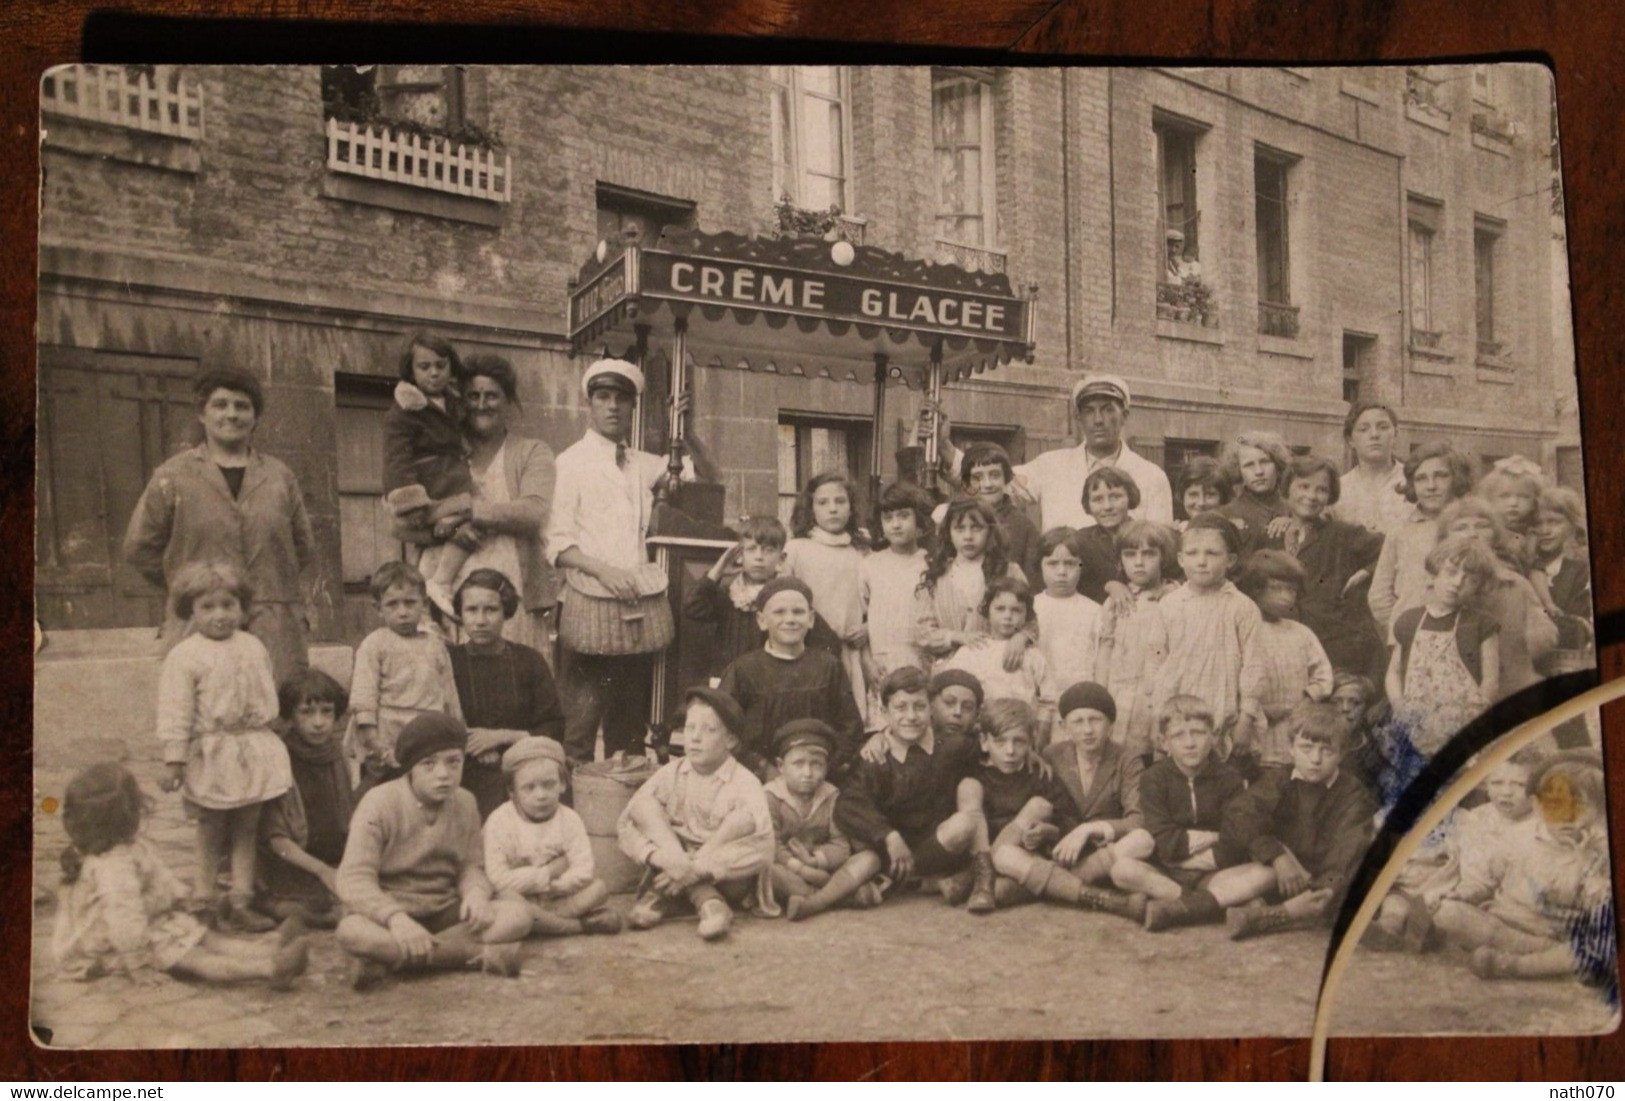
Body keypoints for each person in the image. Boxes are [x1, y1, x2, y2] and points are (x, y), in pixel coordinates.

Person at [548, 358, 717, 763]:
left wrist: (688, 432)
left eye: (622, 399)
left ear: (633, 408)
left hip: (636, 613)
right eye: (603, 397)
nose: (612, 407)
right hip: (589, 607)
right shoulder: (569, 464)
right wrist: (605, 572)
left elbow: (707, 484)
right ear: (589, 405)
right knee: (580, 727)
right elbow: (557, 544)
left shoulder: (645, 464)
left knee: (628, 729)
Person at [122, 367, 315, 686]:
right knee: (204, 712)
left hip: (273, 625)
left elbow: (302, 548)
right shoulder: (174, 475)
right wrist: (190, 586)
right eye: (221, 404)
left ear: (255, 416)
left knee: (276, 710)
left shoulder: (280, 477)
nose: (232, 414)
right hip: (199, 621)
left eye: (242, 406)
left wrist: (268, 584)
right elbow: (139, 548)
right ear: (202, 413)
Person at [52, 763, 311, 989]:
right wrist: (138, 964)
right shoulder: (112, 868)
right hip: (114, 943)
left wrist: (181, 896)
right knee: (198, 959)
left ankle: (271, 946)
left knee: (205, 937)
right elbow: (124, 922)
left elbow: (158, 877)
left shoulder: (128, 847)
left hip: (150, 921)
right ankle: (269, 969)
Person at [335, 714, 532, 990]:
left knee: (518, 916)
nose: (443, 774)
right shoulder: (378, 804)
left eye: (454, 762)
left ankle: (394, 960)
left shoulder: (465, 802)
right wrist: (396, 919)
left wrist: (475, 894)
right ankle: (475, 956)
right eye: (429, 764)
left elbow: (470, 866)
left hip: (444, 911)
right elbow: (353, 879)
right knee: (352, 932)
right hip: (390, 912)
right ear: (410, 769)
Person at [154, 561, 293, 933]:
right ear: (191, 611)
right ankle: (204, 899)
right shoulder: (185, 656)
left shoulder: (252, 646)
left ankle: (241, 899)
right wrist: (174, 760)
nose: (220, 616)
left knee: (248, 827)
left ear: (242, 608)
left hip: (250, 749)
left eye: (228, 606)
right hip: (212, 753)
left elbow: (266, 696)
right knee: (210, 828)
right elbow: (175, 711)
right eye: (208, 607)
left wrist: (269, 729)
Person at [402, 353, 558, 653]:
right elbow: (402, 523)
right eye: (472, 396)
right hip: (443, 590)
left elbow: (534, 512)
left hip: (510, 593)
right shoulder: (440, 450)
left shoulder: (532, 452)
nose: (481, 404)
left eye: (492, 396)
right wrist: (447, 531)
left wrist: (465, 511)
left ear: (508, 401)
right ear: (460, 400)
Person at [1433, 751, 1612, 986]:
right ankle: (1550, 959)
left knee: (1606, 942)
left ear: (1599, 813)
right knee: (1447, 913)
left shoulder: (1597, 853)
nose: (1569, 818)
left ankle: (1517, 966)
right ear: (1536, 806)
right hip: (1502, 922)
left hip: (1556, 932)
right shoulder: (1517, 839)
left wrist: (1590, 872)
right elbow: (1485, 882)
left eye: (1581, 809)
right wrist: (1464, 894)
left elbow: (1598, 908)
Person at [617, 687, 777, 941]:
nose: (695, 738)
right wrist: (664, 857)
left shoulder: (746, 783)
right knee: (642, 806)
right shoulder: (671, 772)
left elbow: (763, 849)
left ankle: (674, 897)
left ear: (731, 741)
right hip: (671, 864)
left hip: (722, 874)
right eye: (690, 729)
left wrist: (696, 867)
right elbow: (626, 824)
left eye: (709, 730)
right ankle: (710, 905)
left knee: (744, 823)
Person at [919, 373, 1174, 531]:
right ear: (1078, 418)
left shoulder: (1152, 476)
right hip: (1061, 589)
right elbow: (995, 479)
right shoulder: (1052, 466)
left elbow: (1163, 543)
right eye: (1089, 411)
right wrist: (944, 447)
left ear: (1124, 416)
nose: (1098, 420)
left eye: (1108, 410)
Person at [1218, 701, 1378, 940]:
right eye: (1306, 748)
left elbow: (1348, 850)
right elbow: (1239, 814)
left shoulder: (1352, 793)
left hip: (1325, 879)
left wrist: (1324, 888)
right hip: (1283, 875)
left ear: (1342, 754)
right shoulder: (1279, 780)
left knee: (1350, 890)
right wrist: (1276, 856)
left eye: (1327, 751)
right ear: (1291, 748)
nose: (1315, 759)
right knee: (1243, 878)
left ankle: (1274, 915)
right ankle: (1274, 910)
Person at [834, 668, 986, 908]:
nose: (911, 716)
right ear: (884, 712)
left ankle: (906, 882)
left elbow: (992, 748)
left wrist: (1029, 754)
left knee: (965, 823)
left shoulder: (950, 748)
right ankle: (921, 882)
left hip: (932, 848)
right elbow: (848, 803)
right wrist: (889, 836)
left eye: (919, 706)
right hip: (891, 851)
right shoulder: (876, 755)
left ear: (931, 709)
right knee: (858, 827)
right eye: (901, 707)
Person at [1367, 751, 1538, 952]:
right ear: (1486, 785)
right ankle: (1397, 927)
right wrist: (1462, 895)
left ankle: (1533, 949)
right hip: (1486, 907)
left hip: (1529, 909)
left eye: (1519, 784)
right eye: (1497, 783)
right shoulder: (1477, 820)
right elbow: (1475, 878)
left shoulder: (1545, 824)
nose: (1506, 792)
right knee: (1445, 912)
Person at [1112, 696, 1248, 932]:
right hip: (1167, 872)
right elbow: (1163, 841)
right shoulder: (1154, 778)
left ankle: (1183, 905)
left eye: (1198, 733)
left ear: (1213, 737)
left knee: (1265, 874)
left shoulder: (1229, 778)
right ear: (1164, 742)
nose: (1190, 743)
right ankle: (1201, 904)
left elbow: (1234, 840)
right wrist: (1214, 837)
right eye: (1178, 735)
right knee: (1121, 870)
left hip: (1214, 871)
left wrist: (1188, 847)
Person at [717, 577, 865, 778]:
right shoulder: (743, 670)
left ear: (811, 619)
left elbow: (851, 728)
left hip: (818, 777)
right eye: (779, 612)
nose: (790, 619)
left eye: (798, 612)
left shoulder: (828, 666)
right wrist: (762, 768)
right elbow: (724, 730)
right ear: (762, 620)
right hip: (758, 780)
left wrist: (822, 768)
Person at [447, 569, 566, 820]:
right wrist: (472, 745)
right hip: (464, 764)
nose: (480, 620)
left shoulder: (528, 661)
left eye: (491, 610)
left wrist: (502, 737)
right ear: (460, 613)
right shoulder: (449, 662)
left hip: (524, 761)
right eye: (471, 610)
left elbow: (553, 726)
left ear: (506, 611)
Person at [482, 736, 622, 939]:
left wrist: (554, 887)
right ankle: (575, 926)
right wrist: (547, 874)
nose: (541, 795)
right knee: (504, 898)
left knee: (598, 888)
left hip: (557, 897)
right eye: (529, 787)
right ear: (512, 791)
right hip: (517, 898)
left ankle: (541, 923)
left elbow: (583, 869)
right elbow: (497, 879)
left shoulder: (570, 819)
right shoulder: (499, 821)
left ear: (563, 784)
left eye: (549, 785)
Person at [1265, 454, 1386, 684]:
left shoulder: (1343, 534)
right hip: (1283, 648)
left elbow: (1393, 550)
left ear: (1330, 496)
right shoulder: (1273, 535)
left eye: (1321, 490)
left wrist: (1367, 571)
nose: (1311, 496)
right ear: (1287, 489)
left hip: (1334, 649)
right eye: (1303, 486)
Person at [1152, 514, 1265, 758]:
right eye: (1192, 554)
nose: (1201, 562)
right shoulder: (1169, 605)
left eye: (1212, 554)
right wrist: (1159, 714)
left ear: (1230, 560)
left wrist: (1246, 717)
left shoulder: (1242, 607)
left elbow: (1254, 666)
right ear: (1181, 560)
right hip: (1179, 708)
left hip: (1224, 712)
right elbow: (1158, 662)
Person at [382, 331, 476, 622]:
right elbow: (397, 459)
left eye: (440, 365)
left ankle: (436, 584)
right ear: (411, 371)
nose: (434, 373)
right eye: (424, 367)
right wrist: (412, 505)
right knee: (469, 520)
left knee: (475, 522)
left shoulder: (454, 403)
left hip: (454, 480)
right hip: (433, 487)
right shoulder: (404, 411)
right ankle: (439, 583)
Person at [1386, 535, 1502, 765]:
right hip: (1416, 723)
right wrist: (1400, 709)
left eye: (1469, 579)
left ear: (1478, 587)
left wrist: (1469, 722)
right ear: (1433, 575)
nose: (1457, 583)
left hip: (1461, 726)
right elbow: (1394, 672)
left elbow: (1491, 682)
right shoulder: (1409, 620)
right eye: (1451, 572)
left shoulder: (1481, 625)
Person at [349, 560, 463, 793]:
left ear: (424, 604)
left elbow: (449, 695)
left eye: (410, 603)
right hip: (389, 738)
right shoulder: (374, 644)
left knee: (429, 791)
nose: (403, 612)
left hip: (429, 735)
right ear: (378, 608)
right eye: (392, 605)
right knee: (387, 794)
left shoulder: (436, 645)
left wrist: (457, 733)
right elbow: (364, 699)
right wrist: (376, 745)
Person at [685, 515, 841, 682]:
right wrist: (717, 571)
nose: (759, 557)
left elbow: (829, 644)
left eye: (768, 550)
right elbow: (693, 607)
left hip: (772, 685)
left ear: (781, 559)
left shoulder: (790, 597)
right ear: (740, 555)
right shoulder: (728, 594)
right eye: (751, 549)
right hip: (731, 684)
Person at [256, 669, 355, 927]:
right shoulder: (279, 758)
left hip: (332, 859)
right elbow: (276, 839)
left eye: (327, 712)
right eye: (307, 712)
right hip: (293, 862)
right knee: (313, 905)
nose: (319, 722)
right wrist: (322, 871)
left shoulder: (336, 755)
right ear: (290, 715)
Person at [1436, 497, 1558, 701]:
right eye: (1461, 527)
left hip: (1513, 689)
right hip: (1453, 695)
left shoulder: (1514, 583)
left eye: (1482, 526)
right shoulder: (1436, 586)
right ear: (1445, 537)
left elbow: (1544, 631)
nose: (1472, 533)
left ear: (1495, 535)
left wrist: (1532, 637)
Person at [765, 719, 887, 921]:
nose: (807, 773)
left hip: (825, 869)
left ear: (827, 766)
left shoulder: (831, 795)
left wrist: (815, 861)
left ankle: (813, 903)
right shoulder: (771, 796)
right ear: (781, 766)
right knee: (765, 869)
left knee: (870, 859)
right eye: (798, 764)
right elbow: (771, 844)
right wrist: (801, 868)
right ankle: (846, 897)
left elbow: (840, 844)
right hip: (789, 869)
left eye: (817, 765)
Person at [1235, 550, 1334, 774]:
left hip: (1296, 724)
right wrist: (1259, 711)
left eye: (1291, 590)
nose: (1286, 597)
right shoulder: (1243, 631)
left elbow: (1323, 674)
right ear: (1255, 590)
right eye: (1276, 588)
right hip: (1256, 728)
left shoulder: (1301, 633)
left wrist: (1307, 699)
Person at [1368, 441, 1478, 642]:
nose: (1431, 486)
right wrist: (1403, 628)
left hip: (1463, 636)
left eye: (1441, 476)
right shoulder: (1400, 531)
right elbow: (1379, 595)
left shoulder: (1472, 526)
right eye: (1421, 479)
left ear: (1457, 479)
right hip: (1411, 637)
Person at [1044, 682, 1147, 891]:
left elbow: (1138, 820)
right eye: (1078, 721)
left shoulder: (1127, 759)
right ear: (1064, 727)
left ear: (1111, 725)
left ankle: (1065, 883)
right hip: (1062, 850)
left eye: (1095, 720)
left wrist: (1088, 829)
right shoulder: (1051, 755)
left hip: (1107, 853)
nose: (1088, 730)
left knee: (1142, 840)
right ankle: (1070, 884)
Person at [784, 472, 872, 717]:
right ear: (811, 509)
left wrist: (868, 628)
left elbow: (877, 602)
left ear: (852, 507)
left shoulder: (861, 552)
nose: (832, 509)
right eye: (823, 503)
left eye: (840, 501)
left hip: (851, 652)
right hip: (810, 650)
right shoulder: (796, 550)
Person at [1094, 519, 1176, 760]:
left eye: (1149, 554)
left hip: (1159, 697)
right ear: (1120, 561)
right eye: (1130, 555)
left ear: (1164, 557)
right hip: (1120, 696)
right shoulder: (1116, 601)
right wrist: (1101, 695)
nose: (1139, 562)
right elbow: (1105, 651)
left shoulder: (1175, 599)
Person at [915, 496, 1028, 669]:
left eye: (976, 528)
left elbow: (1030, 619)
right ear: (948, 533)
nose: (968, 536)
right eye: (959, 528)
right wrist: (956, 636)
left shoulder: (1008, 571)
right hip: (950, 670)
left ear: (990, 531)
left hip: (996, 666)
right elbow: (923, 633)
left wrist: (1021, 637)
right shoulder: (936, 577)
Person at [941, 577, 1056, 732]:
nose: (1008, 616)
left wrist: (1041, 738)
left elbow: (1048, 701)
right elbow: (950, 690)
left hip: (1021, 731)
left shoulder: (1033, 655)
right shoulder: (972, 649)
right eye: (1000, 609)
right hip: (980, 731)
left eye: (1016, 610)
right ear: (987, 610)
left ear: (1026, 615)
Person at [859, 484, 934, 718]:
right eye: (888, 517)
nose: (896, 524)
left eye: (904, 516)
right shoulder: (870, 564)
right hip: (881, 662)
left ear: (920, 521)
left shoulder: (931, 564)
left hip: (921, 659)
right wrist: (867, 663)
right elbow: (860, 619)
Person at [1032, 527, 1104, 701]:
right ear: (1040, 565)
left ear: (1082, 566)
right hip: (1040, 697)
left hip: (1081, 698)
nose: (1062, 572)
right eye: (1052, 564)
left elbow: (1101, 661)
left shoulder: (1094, 611)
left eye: (1070, 564)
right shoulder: (1031, 607)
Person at [956, 442, 1042, 584]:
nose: (988, 484)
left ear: (1006, 478)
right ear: (967, 483)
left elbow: (1033, 584)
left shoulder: (1023, 526)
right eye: (978, 477)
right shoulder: (956, 522)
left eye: (995, 475)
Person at [1330, 401, 1409, 535]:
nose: (1374, 435)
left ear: (1396, 433)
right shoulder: (1339, 489)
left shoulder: (1413, 481)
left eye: (1383, 427)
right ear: (1350, 439)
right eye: (1363, 429)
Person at [1215, 431, 1292, 559]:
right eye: (1249, 465)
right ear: (1238, 470)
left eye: (1265, 462)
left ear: (1277, 465)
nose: (1259, 471)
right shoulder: (1224, 515)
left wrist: (1295, 523)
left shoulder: (1296, 510)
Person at [1075, 466, 1139, 602]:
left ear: (1130, 497)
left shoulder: (1149, 535)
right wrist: (1108, 586)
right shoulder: (1081, 541)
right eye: (1098, 500)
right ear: (1088, 505)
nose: (1107, 507)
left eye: (1115, 497)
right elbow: (1078, 584)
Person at [1531, 485, 1593, 623]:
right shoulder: (1523, 567)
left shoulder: (1580, 571)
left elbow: (1580, 623)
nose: (1545, 531)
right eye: (1537, 523)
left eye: (1554, 522)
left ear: (1572, 525)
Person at [1477, 465, 1544, 570]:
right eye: (1504, 496)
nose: (1513, 503)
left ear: (1535, 502)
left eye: (1523, 496)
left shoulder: (1537, 532)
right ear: (1490, 500)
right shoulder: (1488, 530)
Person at [1173, 455, 1232, 531]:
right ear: (1182, 496)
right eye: (1193, 494)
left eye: (1210, 494)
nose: (1201, 503)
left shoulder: (1229, 534)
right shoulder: (1179, 532)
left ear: (1223, 497)